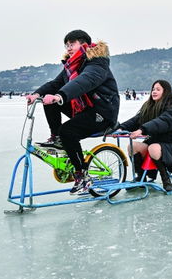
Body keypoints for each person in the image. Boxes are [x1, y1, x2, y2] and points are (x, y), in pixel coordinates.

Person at [26, 29, 120, 195]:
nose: (68, 48)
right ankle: (57, 138)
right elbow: (55, 84)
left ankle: (82, 175)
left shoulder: (97, 62)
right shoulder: (72, 65)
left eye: (72, 44)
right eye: (66, 45)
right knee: (49, 100)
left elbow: (85, 80)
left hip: (103, 112)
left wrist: (60, 95)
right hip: (85, 109)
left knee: (68, 131)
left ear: (84, 44)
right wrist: (37, 94)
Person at [119, 80, 172, 191]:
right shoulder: (148, 105)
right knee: (132, 147)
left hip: (171, 143)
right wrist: (121, 128)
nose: (154, 91)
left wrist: (143, 129)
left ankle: (166, 179)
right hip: (153, 141)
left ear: (165, 91)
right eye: (153, 89)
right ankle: (141, 176)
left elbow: (165, 120)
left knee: (153, 148)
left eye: (158, 89)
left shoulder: (171, 104)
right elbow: (137, 120)